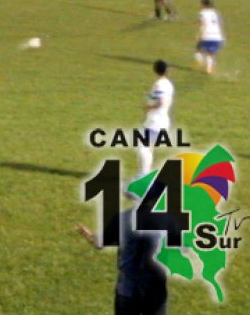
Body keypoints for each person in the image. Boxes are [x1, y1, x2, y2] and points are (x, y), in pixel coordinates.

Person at [76, 187, 171, 315]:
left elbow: (100, 243)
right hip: (155, 290)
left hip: (127, 289)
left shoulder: (121, 219)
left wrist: (88, 234)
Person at [139, 60, 174, 176]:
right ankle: (146, 174)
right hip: (163, 120)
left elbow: (160, 102)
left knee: (143, 147)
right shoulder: (168, 84)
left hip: (155, 121)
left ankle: (144, 176)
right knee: (148, 148)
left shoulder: (159, 84)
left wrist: (148, 106)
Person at [194, 0, 224, 75]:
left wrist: (199, 35)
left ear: (204, 4)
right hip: (217, 37)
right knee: (211, 54)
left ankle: (202, 63)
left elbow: (202, 24)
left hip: (207, 35)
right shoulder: (215, 13)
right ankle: (209, 69)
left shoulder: (202, 13)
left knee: (198, 52)